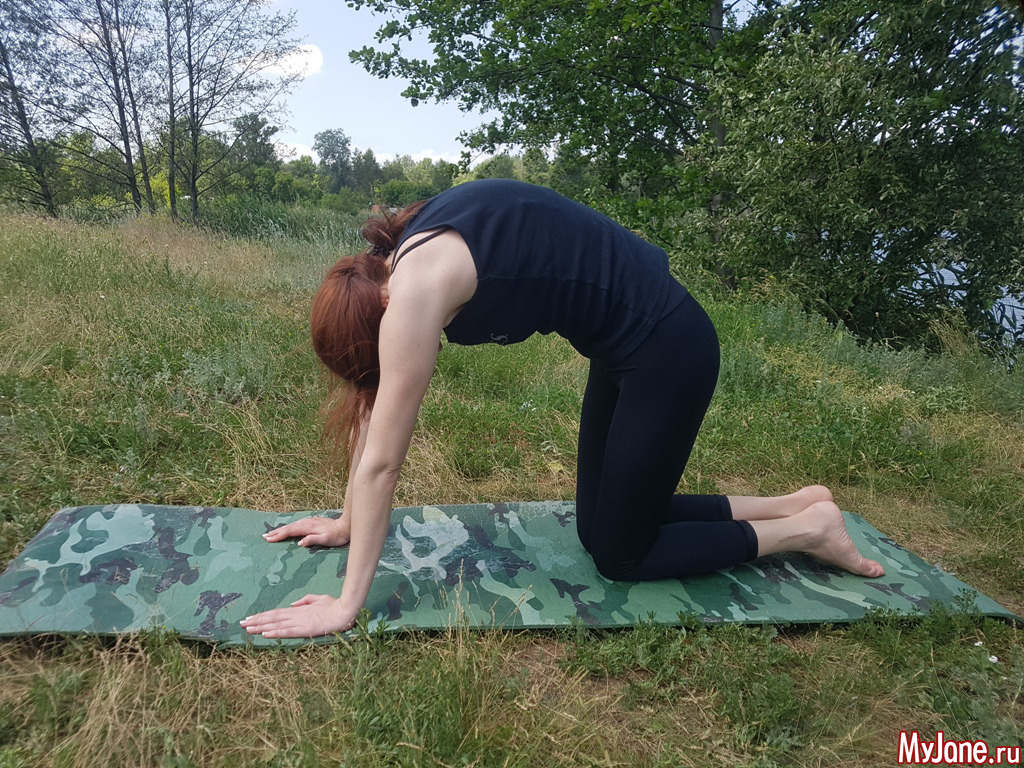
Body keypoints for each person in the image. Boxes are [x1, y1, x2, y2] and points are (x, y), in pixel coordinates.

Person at [240, 179, 884, 640]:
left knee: (621, 555)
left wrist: (346, 605)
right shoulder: (405, 253)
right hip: (626, 350)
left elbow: (383, 463)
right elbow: (377, 412)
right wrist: (348, 522)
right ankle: (795, 502)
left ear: (380, 312)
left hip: (669, 350)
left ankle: (806, 531)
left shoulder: (412, 293)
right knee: (601, 525)